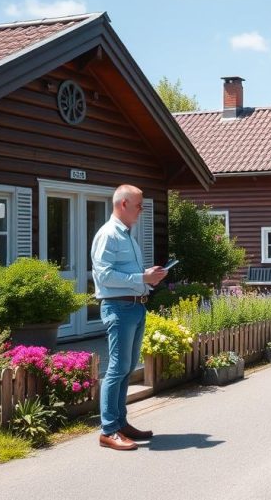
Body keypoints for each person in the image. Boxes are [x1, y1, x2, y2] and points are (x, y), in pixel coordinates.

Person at [91, 184, 167, 451]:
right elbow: (104, 276)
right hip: (119, 308)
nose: (142, 209)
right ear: (123, 204)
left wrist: (149, 275)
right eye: (138, 205)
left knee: (126, 368)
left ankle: (120, 423)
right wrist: (141, 277)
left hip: (135, 307)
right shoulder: (108, 235)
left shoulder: (126, 236)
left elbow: (124, 274)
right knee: (116, 369)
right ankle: (108, 430)